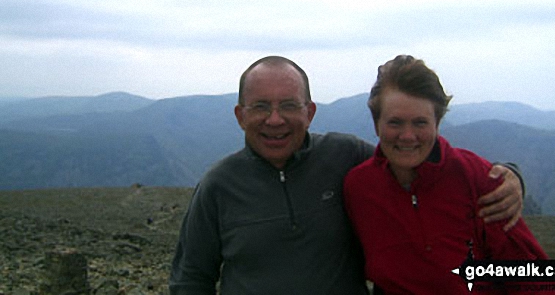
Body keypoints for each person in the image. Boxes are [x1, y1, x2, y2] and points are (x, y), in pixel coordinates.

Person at [169, 55, 525, 295]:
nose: (274, 120)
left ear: (309, 112)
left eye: (289, 106)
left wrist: (508, 175)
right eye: (260, 106)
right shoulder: (218, 186)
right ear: (240, 115)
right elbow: (190, 280)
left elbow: (412, 163)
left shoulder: (345, 158)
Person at [343, 55, 555, 294]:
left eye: (420, 123)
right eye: (395, 123)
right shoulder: (359, 188)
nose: (407, 136)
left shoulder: (476, 178)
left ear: (437, 124)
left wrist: (512, 175)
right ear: (377, 125)